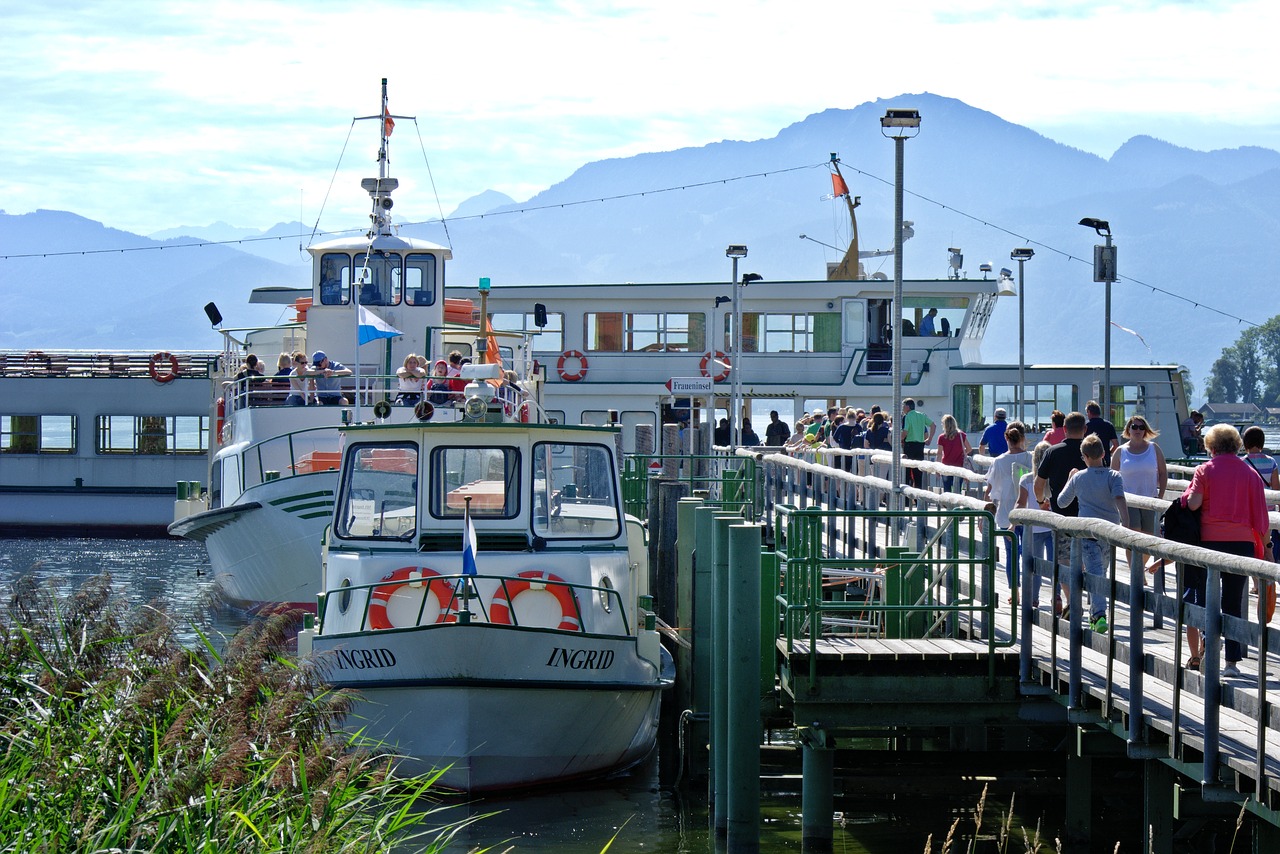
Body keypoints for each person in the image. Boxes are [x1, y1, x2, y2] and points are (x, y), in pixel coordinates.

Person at [1181, 424, 1273, 676]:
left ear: (1210, 447)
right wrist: (1267, 549)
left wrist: (1187, 496)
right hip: (1241, 544)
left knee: (1205, 599)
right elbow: (1261, 517)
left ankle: (1208, 647)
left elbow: (1194, 503)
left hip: (1209, 543)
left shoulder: (1204, 470)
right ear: (1236, 446)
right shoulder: (1250, 474)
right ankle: (1231, 662)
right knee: (1233, 601)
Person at [1057, 434, 1129, 633]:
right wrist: (1127, 523)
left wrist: (1070, 478)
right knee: (1099, 571)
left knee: (1096, 572)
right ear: (1104, 454)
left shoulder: (1079, 477)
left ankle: (1096, 614)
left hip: (1087, 532)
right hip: (1110, 532)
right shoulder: (1114, 476)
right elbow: (1120, 499)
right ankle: (1098, 614)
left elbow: (1062, 502)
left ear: (1084, 456)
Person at [1112, 414, 1169, 626]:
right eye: (1134, 427)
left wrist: (1160, 496)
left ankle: (1139, 567)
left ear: (1145, 430)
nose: (1137, 430)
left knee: (1149, 536)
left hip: (1150, 498)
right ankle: (1137, 572)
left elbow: (1163, 473)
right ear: (1128, 429)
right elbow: (1113, 475)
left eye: (1141, 427)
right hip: (1127, 499)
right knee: (1133, 533)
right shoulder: (1121, 451)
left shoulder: (1154, 449)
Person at [1034, 411, 1088, 617]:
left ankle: (1072, 601)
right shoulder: (1092, 451)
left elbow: (1039, 484)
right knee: (1089, 561)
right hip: (1089, 517)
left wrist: (1041, 502)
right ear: (1085, 430)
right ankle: (1095, 606)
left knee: (1064, 561)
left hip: (1062, 516)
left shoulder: (1052, 452)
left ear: (1064, 429)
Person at [985, 423, 1030, 592]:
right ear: (1022, 438)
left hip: (1005, 512)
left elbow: (990, 488)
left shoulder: (999, 461)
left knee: (1011, 554)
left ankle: (1014, 591)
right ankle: (1029, 590)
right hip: (1026, 511)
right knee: (1027, 554)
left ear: (1006, 438)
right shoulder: (1029, 458)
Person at [1015, 441, 1054, 608]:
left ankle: (1033, 598)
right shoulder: (1055, 478)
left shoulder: (1026, 479)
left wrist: (1013, 522)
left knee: (1035, 567)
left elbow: (1020, 503)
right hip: (1054, 526)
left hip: (1033, 528)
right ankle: (1057, 597)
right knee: (1056, 565)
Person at [901, 399, 935, 488]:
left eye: (903, 406)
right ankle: (918, 499)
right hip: (920, 446)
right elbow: (933, 425)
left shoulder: (907, 416)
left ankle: (906, 500)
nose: (902, 408)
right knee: (918, 472)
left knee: (907, 472)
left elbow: (905, 432)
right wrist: (929, 439)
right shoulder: (921, 415)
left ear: (907, 407)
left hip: (909, 445)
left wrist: (899, 440)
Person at [935, 413, 971, 492]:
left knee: (947, 489)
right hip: (959, 466)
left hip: (946, 466)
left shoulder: (942, 437)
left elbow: (939, 454)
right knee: (957, 489)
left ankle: (947, 504)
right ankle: (957, 504)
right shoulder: (961, 435)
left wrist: (937, 468)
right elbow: (969, 448)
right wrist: (962, 452)